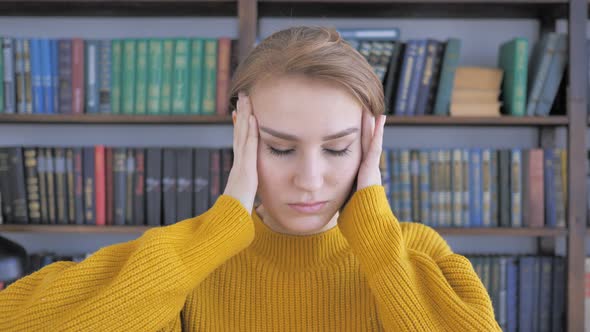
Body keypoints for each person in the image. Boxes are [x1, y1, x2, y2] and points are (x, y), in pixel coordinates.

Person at [0, 26, 501, 331]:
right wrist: (215, 233)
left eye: (338, 147)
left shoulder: (416, 256)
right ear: (241, 138)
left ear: (372, 144)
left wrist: (375, 240)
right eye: (280, 148)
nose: (310, 180)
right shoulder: (188, 260)